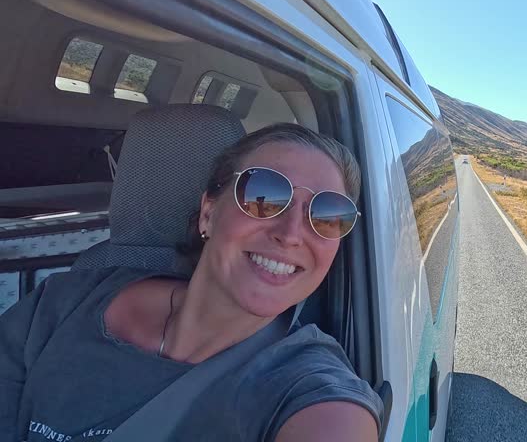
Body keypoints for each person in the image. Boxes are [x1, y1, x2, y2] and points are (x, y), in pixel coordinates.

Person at [0, 124, 382, 441]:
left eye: (329, 215)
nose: (292, 233)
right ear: (209, 213)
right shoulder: (66, 300)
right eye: (263, 196)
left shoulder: (311, 388)